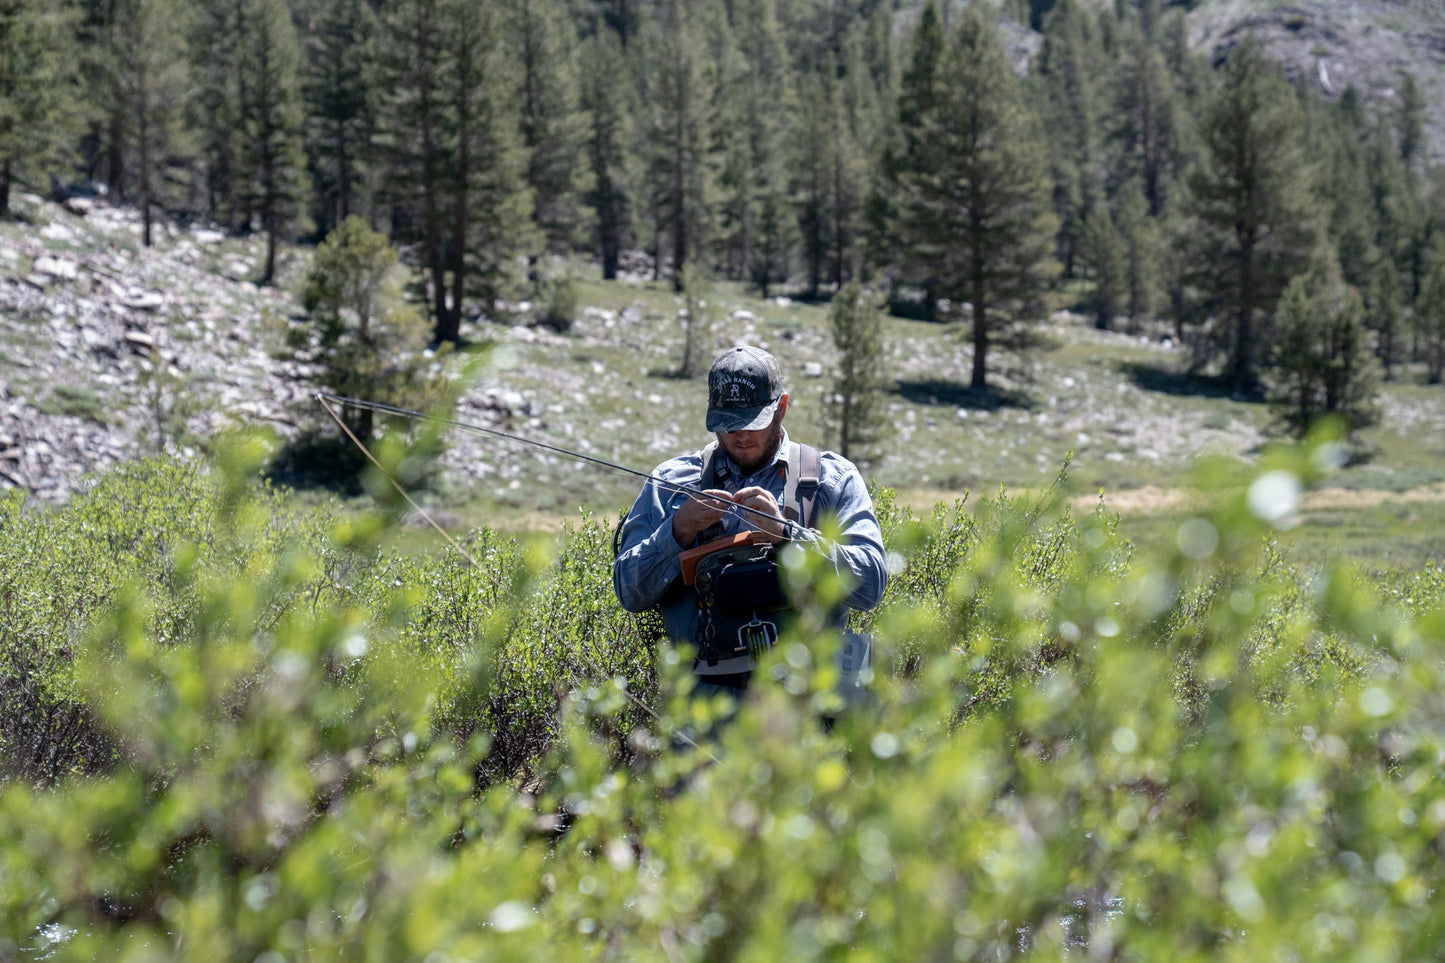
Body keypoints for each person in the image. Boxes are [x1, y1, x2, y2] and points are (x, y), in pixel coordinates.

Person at [613, 344, 887, 697]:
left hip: (810, 702)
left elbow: (870, 585)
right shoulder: (672, 482)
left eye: (752, 423)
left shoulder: (832, 479)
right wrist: (678, 530)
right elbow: (628, 591)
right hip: (707, 705)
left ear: (782, 408)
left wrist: (788, 534)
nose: (740, 436)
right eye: (728, 426)